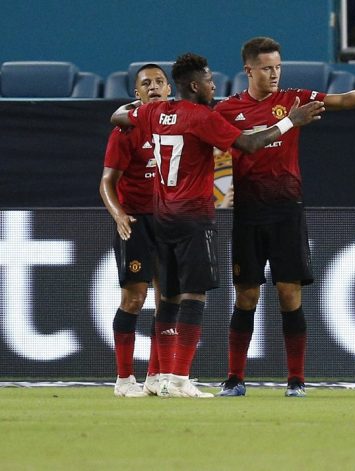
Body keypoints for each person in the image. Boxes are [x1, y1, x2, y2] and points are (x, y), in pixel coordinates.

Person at [111, 52, 324, 398]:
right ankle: (179, 379)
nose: (215, 86)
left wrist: (136, 105)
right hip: (193, 217)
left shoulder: (154, 113)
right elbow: (249, 144)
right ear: (195, 86)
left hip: (161, 217)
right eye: (210, 81)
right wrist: (291, 121)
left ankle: (160, 377)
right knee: (193, 296)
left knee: (167, 298)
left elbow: (118, 115)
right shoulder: (202, 117)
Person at [213, 36, 355, 398]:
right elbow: (214, 156)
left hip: (286, 210)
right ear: (248, 70)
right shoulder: (227, 110)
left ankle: (296, 380)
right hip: (248, 212)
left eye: (278, 67)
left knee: (289, 294)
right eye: (266, 68)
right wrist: (219, 192)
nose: (274, 74)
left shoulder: (291, 99)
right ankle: (234, 378)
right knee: (246, 296)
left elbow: (341, 100)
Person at [100, 63, 173, 398]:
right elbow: (107, 182)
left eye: (159, 82)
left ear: (169, 89)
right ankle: (124, 379)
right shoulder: (125, 131)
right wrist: (119, 215)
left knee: (166, 300)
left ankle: (156, 376)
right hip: (136, 221)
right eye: (146, 83)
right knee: (134, 298)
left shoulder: (179, 126)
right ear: (137, 94)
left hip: (170, 220)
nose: (154, 87)